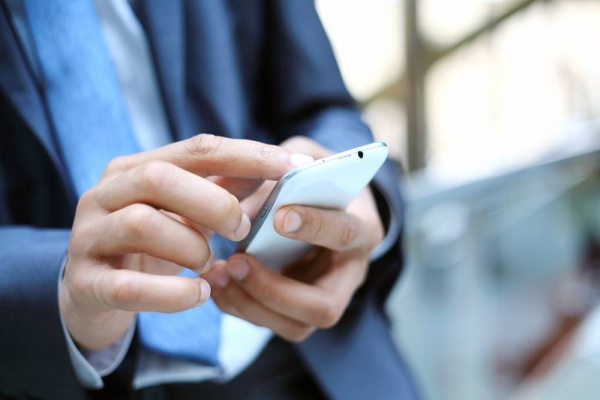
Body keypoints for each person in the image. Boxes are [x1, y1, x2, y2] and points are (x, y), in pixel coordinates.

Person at [0, 1, 419, 399]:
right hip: (66, 373)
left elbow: (325, 106)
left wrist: (358, 195)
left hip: (316, 359)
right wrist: (57, 290)